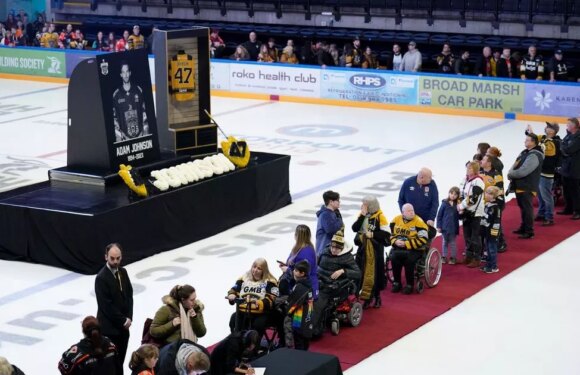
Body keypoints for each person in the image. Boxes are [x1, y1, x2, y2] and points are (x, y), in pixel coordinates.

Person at [95, 243, 134, 374]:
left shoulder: (123, 272)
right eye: (112, 258)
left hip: (123, 329)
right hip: (109, 330)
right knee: (111, 365)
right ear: (106, 257)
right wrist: (123, 320)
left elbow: (129, 295)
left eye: (118, 258)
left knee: (120, 362)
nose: (115, 261)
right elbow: (106, 306)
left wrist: (129, 317)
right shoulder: (101, 278)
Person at [313, 229, 360, 334]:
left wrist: (343, 271)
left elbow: (358, 273)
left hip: (334, 286)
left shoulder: (347, 257)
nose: (334, 250)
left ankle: (314, 328)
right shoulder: (324, 251)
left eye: (337, 248)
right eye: (332, 247)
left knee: (317, 301)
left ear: (342, 248)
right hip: (319, 281)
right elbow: (317, 265)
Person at [352, 196, 389, 308]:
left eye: (364, 204)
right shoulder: (362, 215)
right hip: (363, 249)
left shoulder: (380, 216)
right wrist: (362, 216)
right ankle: (366, 297)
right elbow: (355, 228)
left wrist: (373, 234)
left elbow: (386, 234)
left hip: (375, 250)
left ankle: (377, 297)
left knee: (376, 275)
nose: (362, 206)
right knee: (362, 273)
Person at [227, 258, 279, 336]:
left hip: (262, 313)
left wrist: (259, 303)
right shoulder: (244, 278)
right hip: (243, 311)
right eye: (254, 267)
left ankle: (255, 345)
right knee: (233, 320)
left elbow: (271, 299)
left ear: (264, 270)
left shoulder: (270, 281)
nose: (255, 270)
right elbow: (235, 289)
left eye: (259, 268)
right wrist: (232, 294)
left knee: (258, 325)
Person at [507, 133, 544, 238]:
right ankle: (523, 227)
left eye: (527, 140)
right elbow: (515, 165)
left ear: (533, 142)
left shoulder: (534, 155)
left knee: (527, 209)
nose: (525, 142)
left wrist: (511, 174)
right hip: (521, 185)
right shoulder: (525, 152)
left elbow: (523, 171)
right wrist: (511, 172)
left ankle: (529, 231)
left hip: (527, 186)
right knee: (523, 208)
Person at [389, 204, 430, 294]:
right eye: (409, 211)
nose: (412, 212)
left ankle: (409, 285)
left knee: (409, 260)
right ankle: (397, 283)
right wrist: (395, 241)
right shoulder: (396, 220)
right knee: (394, 258)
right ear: (403, 213)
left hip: (415, 248)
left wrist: (407, 244)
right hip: (399, 247)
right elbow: (390, 234)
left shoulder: (419, 222)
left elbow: (423, 239)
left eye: (412, 210)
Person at [526, 123, 561, 226]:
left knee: (546, 196)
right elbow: (534, 139)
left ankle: (549, 217)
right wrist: (530, 131)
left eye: (549, 127)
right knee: (540, 195)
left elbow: (545, 151)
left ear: (552, 131)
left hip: (547, 172)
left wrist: (537, 143)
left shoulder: (553, 143)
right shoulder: (543, 138)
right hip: (540, 171)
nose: (546, 128)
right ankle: (542, 213)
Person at [113, 61, 150, 142]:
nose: (125, 75)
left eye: (127, 72)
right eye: (123, 72)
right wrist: (119, 135)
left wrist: (145, 132)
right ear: (121, 75)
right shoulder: (116, 95)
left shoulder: (138, 90)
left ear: (130, 73)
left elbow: (144, 113)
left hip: (140, 135)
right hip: (124, 138)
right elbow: (114, 118)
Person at [278, 224, 318, 298]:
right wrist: (286, 265)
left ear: (297, 236)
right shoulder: (298, 248)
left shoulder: (306, 253)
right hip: (295, 285)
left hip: (304, 291)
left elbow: (304, 274)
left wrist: (287, 270)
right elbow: (294, 264)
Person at [458, 162, 485, 267]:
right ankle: (468, 256)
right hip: (466, 212)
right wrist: (459, 203)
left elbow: (473, 198)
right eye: (467, 168)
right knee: (467, 236)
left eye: (470, 168)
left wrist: (461, 206)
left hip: (475, 213)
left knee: (475, 237)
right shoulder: (465, 180)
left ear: (475, 170)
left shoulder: (478, 181)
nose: (468, 170)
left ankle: (477, 258)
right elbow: (461, 193)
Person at [283, 260, 314, 350]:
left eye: (296, 271)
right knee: (304, 344)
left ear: (302, 273)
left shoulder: (301, 287)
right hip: (308, 319)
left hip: (299, 321)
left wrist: (286, 311)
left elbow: (294, 304)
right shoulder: (308, 284)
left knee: (299, 345)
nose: (293, 271)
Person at [558, 117, 580, 220]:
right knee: (566, 189)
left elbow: (569, 150)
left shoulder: (578, 137)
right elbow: (563, 146)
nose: (566, 126)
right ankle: (569, 208)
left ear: (574, 126)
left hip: (575, 168)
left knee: (575, 190)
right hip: (566, 167)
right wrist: (564, 148)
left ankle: (577, 210)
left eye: (568, 124)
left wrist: (564, 148)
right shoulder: (569, 136)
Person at [436, 186, 461, 265]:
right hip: (444, 228)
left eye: (455, 194)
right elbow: (439, 215)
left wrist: (461, 212)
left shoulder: (458, 204)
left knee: (453, 243)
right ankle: (444, 256)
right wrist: (439, 226)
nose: (453, 195)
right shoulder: (444, 203)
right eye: (451, 193)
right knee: (444, 242)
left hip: (453, 228)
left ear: (457, 196)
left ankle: (453, 258)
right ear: (449, 193)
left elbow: (459, 217)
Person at [315, 190, 343, 256]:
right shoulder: (326, 215)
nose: (339, 202)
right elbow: (330, 229)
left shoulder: (332, 213)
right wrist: (339, 220)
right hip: (325, 251)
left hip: (330, 249)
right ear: (331, 202)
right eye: (337, 200)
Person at [481, 186, 502, 274]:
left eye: (489, 194)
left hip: (492, 232)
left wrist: (493, 233)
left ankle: (493, 266)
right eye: (486, 193)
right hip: (486, 230)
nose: (486, 195)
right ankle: (488, 264)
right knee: (488, 249)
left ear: (494, 196)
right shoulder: (487, 204)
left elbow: (496, 221)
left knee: (492, 249)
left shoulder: (496, 207)